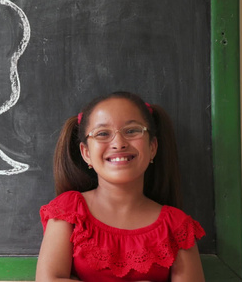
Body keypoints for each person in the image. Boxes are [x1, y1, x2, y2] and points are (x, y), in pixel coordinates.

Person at [35, 91, 205, 282]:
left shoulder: (177, 227)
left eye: (132, 131)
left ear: (152, 148)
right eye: (102, 134)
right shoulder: (69, 211)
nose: (118, 143)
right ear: (86, 153)